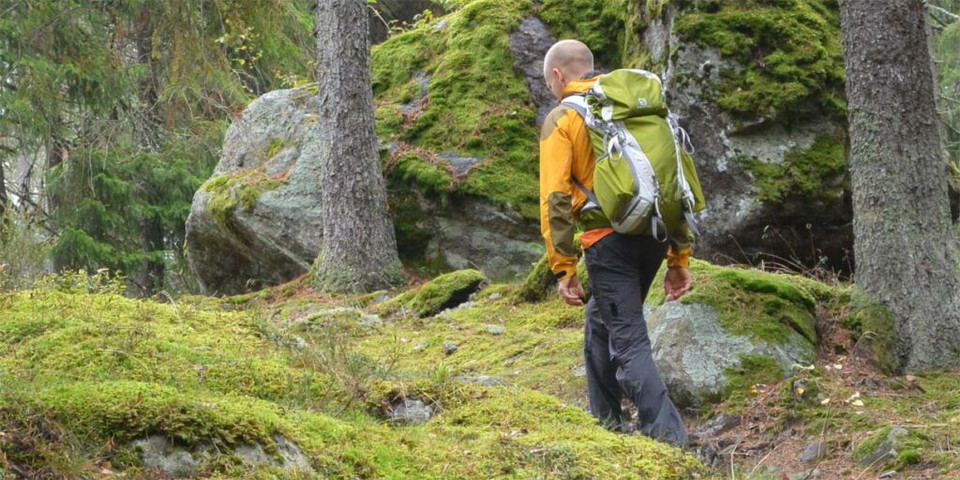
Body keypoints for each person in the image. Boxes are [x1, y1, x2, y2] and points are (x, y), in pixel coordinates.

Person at [538, 39, 691, 447]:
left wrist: (563, 267)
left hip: (608, 241)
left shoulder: (564, 117)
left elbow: (554, 198)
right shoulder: (634, 107)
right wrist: (679, 257)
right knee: (599, 319)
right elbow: (676, 180)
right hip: (655, 235)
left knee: (628, 339)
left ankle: (669, 438)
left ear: (558, 75)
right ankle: (606, 421)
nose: (552, 91)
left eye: (549, 83)